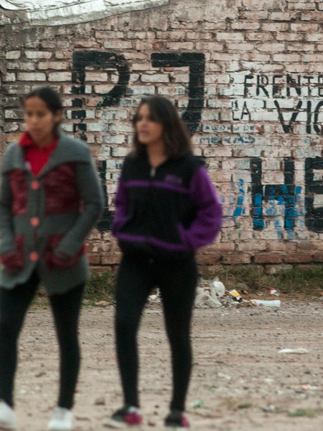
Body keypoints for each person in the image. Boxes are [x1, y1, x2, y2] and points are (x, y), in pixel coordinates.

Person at [0, 86, 103, 431]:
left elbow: (94, 203)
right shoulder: (15, 153)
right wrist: (5, 243)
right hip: (18, 256)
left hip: (63, 257)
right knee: (6, 329)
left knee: (66, 334)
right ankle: (4, 406)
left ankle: (63, 411)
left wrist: (72, 243)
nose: (33, 121)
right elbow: (3, 204)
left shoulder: (75, 153)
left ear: (56, 116)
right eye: (28, 114)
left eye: (40, 114)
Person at [105, 96, 223, 429]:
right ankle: (130, 407)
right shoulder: (132, 165)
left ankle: (176, 411)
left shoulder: (189, 168)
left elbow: (211, 214)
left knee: (177, 335)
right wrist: (123, 230)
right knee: (124, 324)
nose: (142, 124)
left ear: (165, 125)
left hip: (177, 265)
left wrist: (186, 241)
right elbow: (122, 203)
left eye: (149, 119)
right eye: (138, 119)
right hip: (136, 261)